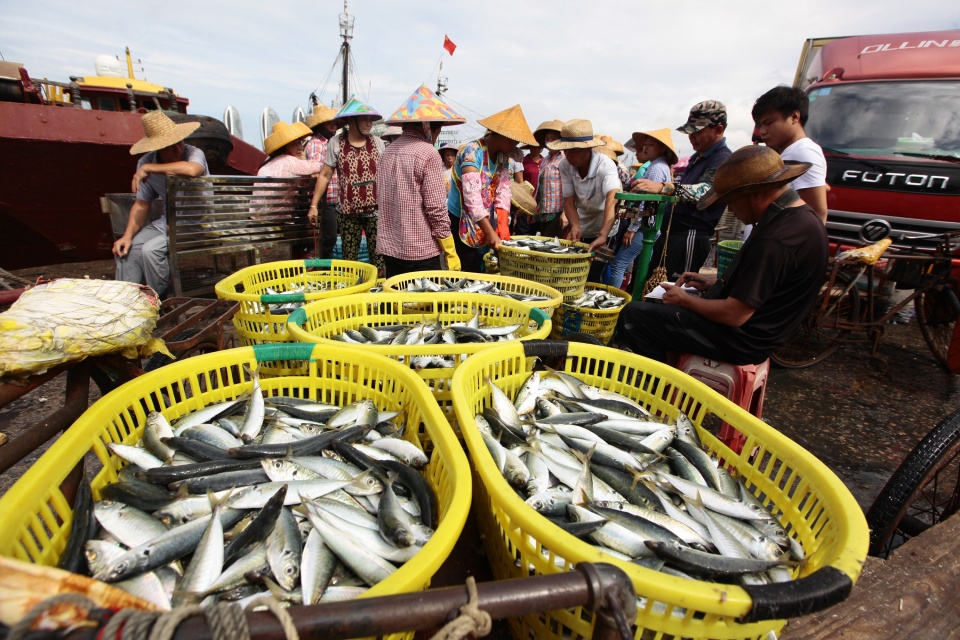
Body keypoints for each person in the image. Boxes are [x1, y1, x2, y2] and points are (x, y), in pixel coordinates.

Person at [613, 145, 828, 365]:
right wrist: (716, 283)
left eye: (731, 201)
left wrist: (685, 300)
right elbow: (769, 285)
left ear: (755, 194)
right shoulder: (801, 219)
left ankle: (658, 386)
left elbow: (735, 315)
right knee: (659, 308)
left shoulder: (776, 239)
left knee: (634, 315)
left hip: (742, 342)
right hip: (760, 330)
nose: (731, 210)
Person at [632, 101, 732, 278]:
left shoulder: (722, 158)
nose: (691, 137)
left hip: (690, 235)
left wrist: (664, 187)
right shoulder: (696, 158)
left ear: (718, 130)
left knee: (672, 289)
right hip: (672, 233)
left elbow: (706, 191)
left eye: (698, 132)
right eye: (690, 132)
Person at [113, 111, 208, 297]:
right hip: (166, 223)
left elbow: (193, 170)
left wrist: (149, 169)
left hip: (196, 224)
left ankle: (156, 298)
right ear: (158, 148)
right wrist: (127, 236)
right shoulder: (146, 161)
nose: (178, 148)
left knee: (151, 250)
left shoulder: (193, 153)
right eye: (170, 146)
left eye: (179, 141)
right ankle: (126, 298)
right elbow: (141, 204)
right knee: (127, 249)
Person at [376, 84, 465, 278]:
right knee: (423, 307)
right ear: (428, 126)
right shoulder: (428, 153)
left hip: (390, 248)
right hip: (420, 251)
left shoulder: (387, 153)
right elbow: (436, 209)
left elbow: (381, 200)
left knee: (397, 304)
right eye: (438, 130)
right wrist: (450, 250)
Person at [448, 104, 538, 272]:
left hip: (482, 220)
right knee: (466, 271)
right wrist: (490, 232)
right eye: (515, 139)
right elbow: (472, 199)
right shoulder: (472, 152)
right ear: (504, 136)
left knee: (483, 268)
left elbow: (503, 191)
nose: (516, 144)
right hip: (461, 219)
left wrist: (502, 226)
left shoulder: (502, 158)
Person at [311, 97, 385, 274]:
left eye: (370, 120)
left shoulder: (378, 143)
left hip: (375, 212)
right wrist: (313, 205)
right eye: (364, 119)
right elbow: (325, 174)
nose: (369, 124)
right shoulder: (336, 143)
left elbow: (386, 174)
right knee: (349, 260)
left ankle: (378, 298)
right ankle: (353, 297)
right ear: (351, 120)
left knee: (379, 261)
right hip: (347, 212)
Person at [548, 119, 622, 282]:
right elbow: (568, 201)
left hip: (605, 225)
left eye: (573, 151)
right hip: (583, 224)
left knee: (594, 273)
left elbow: (612, 198)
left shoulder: (606, 165)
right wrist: (575, 225)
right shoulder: (565, 165)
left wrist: (603, 235)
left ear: (587, 149)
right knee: (576, 271)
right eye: (566, 151)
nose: (568, 155)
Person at [606, 128, 678, 290]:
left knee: (619, 264)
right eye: (645, 145)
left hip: (645, 227)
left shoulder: (657, 168)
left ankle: (611, 299)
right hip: (648, 226)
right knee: (642, 265)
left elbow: (647, 202)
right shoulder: (658, 166)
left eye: (650, 145)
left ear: (662, 149)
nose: (645, 148)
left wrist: (632, 228)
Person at [752, 85, 828, 223]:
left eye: (768, 123)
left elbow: (817, 212)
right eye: (760, 126)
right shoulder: (790, 152)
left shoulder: (803, 153)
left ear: (794, 117)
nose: (762, 131)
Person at [304, 103, 341, 259]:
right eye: (329, 124)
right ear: (321, 125)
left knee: (332, 236)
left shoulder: (331, 143)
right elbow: (317, 168)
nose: (333, 127)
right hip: (324, 200)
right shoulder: (316, 144)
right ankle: (321, 263)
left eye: (335, 124)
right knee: (329, 236)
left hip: (334, 198)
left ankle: (324, 262)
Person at [515, 120, 563, 237]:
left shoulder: (564, 159)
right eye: (547, 139)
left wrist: (566, 213)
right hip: (544, 210)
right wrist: (533, 208)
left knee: (554, 246)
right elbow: (539, 188)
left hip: (558, 211)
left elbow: (570, 187)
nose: (550, 142)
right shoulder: (545, 160)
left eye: (553, 139)